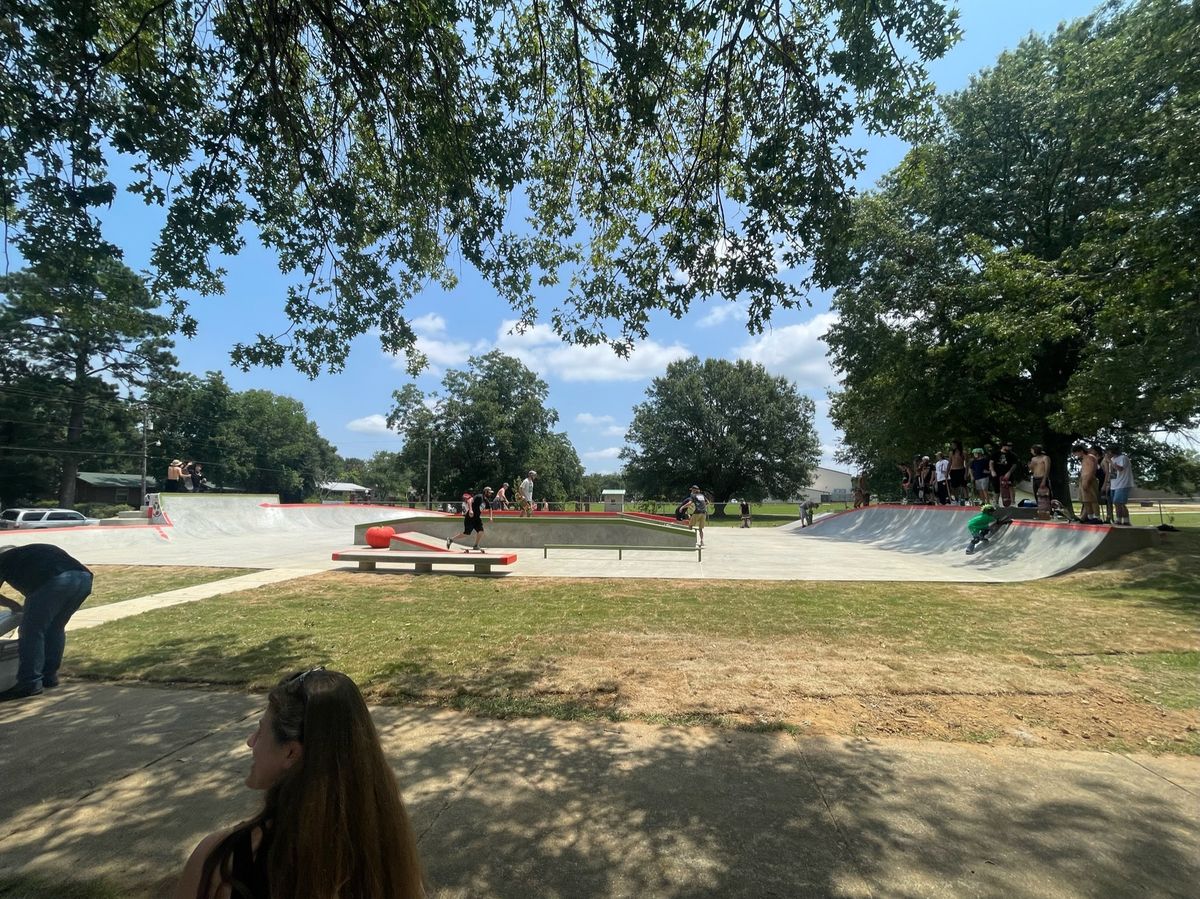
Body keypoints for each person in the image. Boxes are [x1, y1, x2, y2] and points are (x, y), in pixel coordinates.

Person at [173, 667, 425, 899]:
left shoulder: (223, 861)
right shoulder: (390, 860)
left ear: (291, 753)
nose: (251, 741)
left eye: (261, 730)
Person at [0, 544, 94, 701]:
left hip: (53, 581)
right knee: (55, 628)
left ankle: (30, 683)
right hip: (83, 578)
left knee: (31, 632)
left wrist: (12, 605)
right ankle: (49, 677)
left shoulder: (3, 560)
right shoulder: (32, 552)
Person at [447, 487, 492, 552]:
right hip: (470, 517)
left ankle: (476, 545)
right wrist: (470, 510)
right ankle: (451, 539)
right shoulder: (479, 496)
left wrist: (490, 517)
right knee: (467, 533)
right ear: (486, 492)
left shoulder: (486, 500)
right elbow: (469, 500)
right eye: (489, 492)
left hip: (477, 518)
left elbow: (490, 508)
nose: (490, 494)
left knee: (481, 531)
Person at [1108, 444, 1135, 526]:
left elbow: (1120, 469)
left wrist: (1110, 462)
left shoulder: (1123, 458)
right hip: (1114, 484)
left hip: (1123, 483)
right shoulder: (1112, 459)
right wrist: (1108, 483)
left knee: (1120, 502)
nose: (1108, 453)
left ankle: (1126, 520)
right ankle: (1119, 519)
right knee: (1116, 503)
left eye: (1109, 451)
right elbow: (1111, 473)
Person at [1073, 444, 1100, 523]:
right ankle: (1090, 517)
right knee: (1086, 501)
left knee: (1092, 499)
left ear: (1081, 451)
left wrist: (1087, 481)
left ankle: (1097, 517)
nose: (1076, 455)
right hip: (1083, 479)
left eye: (1076, 453)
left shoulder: (1090, 457)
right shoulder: (1083, 459)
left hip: (1089, 479)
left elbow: (1092, 470)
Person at [993, 442, 1018, 507]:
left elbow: (1014, 465)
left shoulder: (1012, 455)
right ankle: (996, 503)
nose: (1010, 447)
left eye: (1011, 446)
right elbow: (991, 462)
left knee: (1010, 486)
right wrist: (992, 471)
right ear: (1003, 446)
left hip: (1008, 473)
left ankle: (1012, 503)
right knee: (997, 487)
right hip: (997, 473)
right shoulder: (996, 453)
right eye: (1009, 446)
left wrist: (1009, 472)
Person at [948, 440, 968, 505]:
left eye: (953, 445)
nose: (952, 446)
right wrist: (947, 472)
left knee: (964, 485)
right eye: (952, 445)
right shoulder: (951, 453)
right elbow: (949, 463)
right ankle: (956, 499)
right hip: (953, 471)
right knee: (953, 487)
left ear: (957, 445)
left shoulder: (963, 452)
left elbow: (967, 463)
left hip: (961, 469)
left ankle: (966, 499)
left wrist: (966, 473)